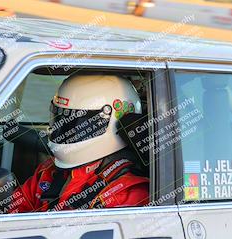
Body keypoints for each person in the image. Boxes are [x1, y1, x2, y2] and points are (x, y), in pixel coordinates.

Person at [9, 74, 149, 213]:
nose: (63, 130)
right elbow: (10, 214)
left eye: (77, 122)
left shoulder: (127, 192)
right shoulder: (49, 171)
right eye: (60, 118)